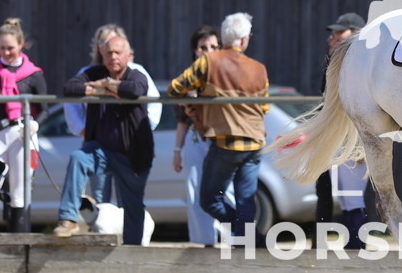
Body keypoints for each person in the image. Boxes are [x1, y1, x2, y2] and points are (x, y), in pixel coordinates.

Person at [168, 13, 270, 244]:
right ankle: (252, 243)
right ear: (244, 40)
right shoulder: (259, 68)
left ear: (224, 38)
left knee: (209, 200)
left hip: (226, 142)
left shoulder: (208, 63)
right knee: (245, 202)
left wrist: (197, 104)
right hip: (255, 142)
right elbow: (264, 107)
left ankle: (251, 238)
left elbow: (175, 88)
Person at [53, 33, 155, 244]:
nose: (113, 57)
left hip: (132, 154)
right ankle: (68, 218)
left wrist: (107, 85)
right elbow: (69, 88)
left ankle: (133, 251)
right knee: (78, 158)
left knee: (133, 207)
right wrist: (99, 88)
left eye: (118, 53)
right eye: (108, 53)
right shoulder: (94, 72)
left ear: (129, 55)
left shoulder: (137, 74)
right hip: (101, 150)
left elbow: (135, 89)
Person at [63, 23, 162, 210]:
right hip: (99, 143)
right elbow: (70, 100)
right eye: (106, 45)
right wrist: (82, 128)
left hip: (129, 146)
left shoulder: (136, 72)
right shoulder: (90, 73)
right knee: (100, 197)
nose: (112, 53)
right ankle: (93, 226)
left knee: (129, 200)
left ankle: (128, 228)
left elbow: (153, 102)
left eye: (116, 48)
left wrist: (142, 129)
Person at [0, 19, 47, 233]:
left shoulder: (33, 73)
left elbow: (44, 109)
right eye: (1, 48)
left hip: (21, 132)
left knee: (20, 189)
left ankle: (18, 240)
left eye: (10, 48)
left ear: (21, 44)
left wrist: (34, 124)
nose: (5, 52)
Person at [172, 24, 231, 246]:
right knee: (195, 191)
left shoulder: (227, 74)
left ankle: (235, 241)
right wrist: (177, 150)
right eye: (203, 47)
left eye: (213, 47)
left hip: (223, 140)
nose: (208, 51)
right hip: (197, 139)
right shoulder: (188, 77)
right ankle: (204, 242)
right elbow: (182, 120)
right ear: (195, 50)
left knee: (227, 191)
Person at [315, 13, 370, 249]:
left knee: (352, 198)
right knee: (347, 198)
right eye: (333, 33)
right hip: (340, 136)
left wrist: (364, 144)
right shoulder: (337, 64)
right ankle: (353, 244)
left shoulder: (363, 63)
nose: (333, 37)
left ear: (356, 33)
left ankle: (357, 245)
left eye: (340, 33)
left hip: (355, 137)